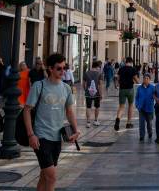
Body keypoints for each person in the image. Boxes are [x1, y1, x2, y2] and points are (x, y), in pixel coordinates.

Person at [24, 53, 79, 191]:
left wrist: (76, 130)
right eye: (58, 68)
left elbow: (69, 111)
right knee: (52, 177)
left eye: (64, 68)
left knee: (44, 176)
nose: (62, 71)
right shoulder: (39, 86)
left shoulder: (66, 88)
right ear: (50, 69)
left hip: (57, 138)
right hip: (41, 137)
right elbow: (26, 110)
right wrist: (31, 135)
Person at [115, 57, 140, 131]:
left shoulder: (121, 69)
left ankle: (118, 119)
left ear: (126, 62)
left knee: (121, 107)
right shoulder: (133, 69)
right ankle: (128, 123)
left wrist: (118, 84)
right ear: (131, 62)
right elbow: (136, 80)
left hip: (122, 89)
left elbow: (118, 79)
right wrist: (139, 83)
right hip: (130, 89)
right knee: (130, 105)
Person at [135, 73, 155, 141]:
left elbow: (156, 96)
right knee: (141, 123)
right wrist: (137, 105)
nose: (146, 80)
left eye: (147, 79)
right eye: (144, 78)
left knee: (149, 123)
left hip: (149, 108)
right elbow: (137, 97)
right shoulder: (139, 88)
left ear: (149, 80)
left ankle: (150, 132)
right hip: (141, 108)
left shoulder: (152, 88)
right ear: (143, 79)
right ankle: (142, 136)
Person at [83, 61, 104, 127]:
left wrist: (85, 90)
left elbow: (83, 84)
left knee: (88, 107)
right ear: (97, 67)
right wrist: (101, 94)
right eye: (99, 67)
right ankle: (95, 120)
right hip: (97, 93)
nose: (99, 68)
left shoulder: (86, 73)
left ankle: (88, 122)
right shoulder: (99, 74)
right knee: (97, 107)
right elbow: (100, 85)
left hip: (88, 93)